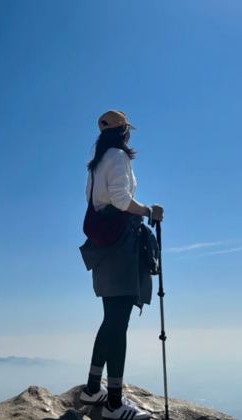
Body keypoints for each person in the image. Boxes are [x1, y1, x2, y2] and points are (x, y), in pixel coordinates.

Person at [79, 110, 164, 420]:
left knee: (110, 320)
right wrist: (148, 210)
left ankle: (92, 388)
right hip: (120, 250)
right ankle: (114, 403)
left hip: (104, 248)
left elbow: (101, 199)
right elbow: (119, 199)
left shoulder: (97, 163)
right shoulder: (117, 157)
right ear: (124, 132)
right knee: (118, 323)